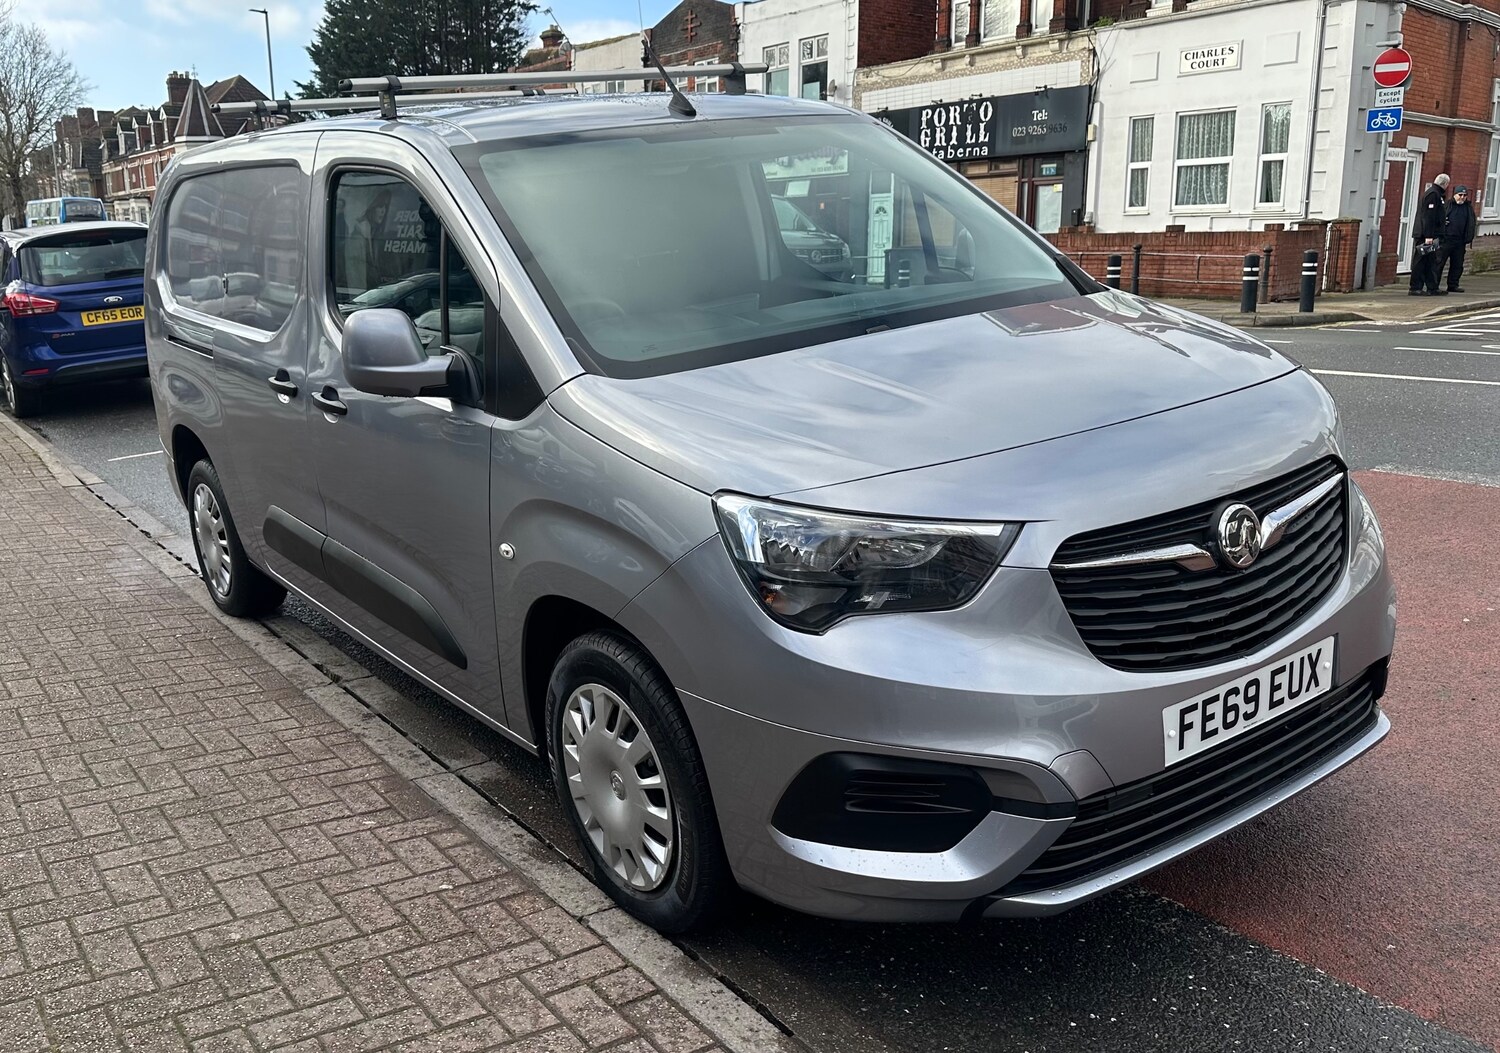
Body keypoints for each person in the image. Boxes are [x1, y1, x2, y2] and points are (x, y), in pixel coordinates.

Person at [1409, 172, 1449, 295]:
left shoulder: (1437, 194)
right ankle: (1415, 287)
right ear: (1445, 184)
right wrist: (1428, 236)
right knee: (1420, 262)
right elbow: (1428, 217)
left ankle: (1432, 287)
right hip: (1425, 236)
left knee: (1432, 262)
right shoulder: (1433, 195)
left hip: (1432, 235)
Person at [1439, 184, 1476, 292]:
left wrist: (1469, 237)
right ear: (1455, 195)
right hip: (1446, 239)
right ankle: (1434, 284)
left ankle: (1453, 285)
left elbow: (1471, 222)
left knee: (1457, 265)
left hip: (1460, 241)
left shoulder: (1468, 208)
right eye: (1460, 194)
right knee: (1439, 262)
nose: (1462, 197)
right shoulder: (1448, 205)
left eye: (1464, 195)